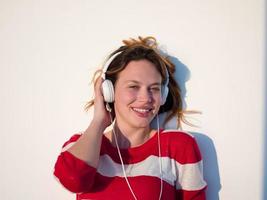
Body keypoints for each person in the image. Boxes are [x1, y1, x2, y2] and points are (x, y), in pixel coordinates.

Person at [53, 36, 207, 200]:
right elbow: (73, 181)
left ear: (163, 95)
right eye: (134, 86)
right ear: (109, 91)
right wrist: (99, 121)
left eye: (154, 88)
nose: (146, 98)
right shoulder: (83, 145)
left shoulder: (178, 146)